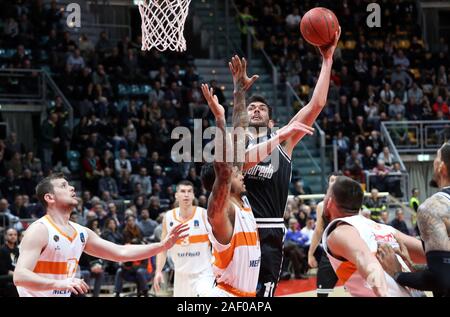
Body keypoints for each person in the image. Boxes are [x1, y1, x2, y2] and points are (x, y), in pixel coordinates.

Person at [234, 28, 341, 297]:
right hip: (240, 227)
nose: (255, 110)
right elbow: (243, 164)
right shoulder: (236, 142)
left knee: (265, 294)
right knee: (235, 293)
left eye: (261, 108)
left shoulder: (283, 142)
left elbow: (316, 104)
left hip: (270, 227)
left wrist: (327, 60)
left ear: (271, 121)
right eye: (251, 108)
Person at [13, 173, 188, 297]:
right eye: (64, 186)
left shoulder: (81, 233)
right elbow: (20, 276)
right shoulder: (40, 230)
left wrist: (162, 246)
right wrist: (59, 284)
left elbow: (121, 253)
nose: (72, 187)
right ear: (49, 198)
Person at [321, 176, 426, 297]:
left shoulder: (340, 232)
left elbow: (365, 259)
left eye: (326, 196)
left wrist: (383, 294)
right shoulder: (385, 229)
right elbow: (433, 253)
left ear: (329, 202)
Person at [377, 143, 450, 297]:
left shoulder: (433, 208)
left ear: (441, 167)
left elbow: (442, 279)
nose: (434, 162)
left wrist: (397, 273)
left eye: (436, 157)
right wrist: (413, 266)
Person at [153, 180, 215, 297]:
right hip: (181, 275)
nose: (186, 194)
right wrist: (158, 271)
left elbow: (217, 243)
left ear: (193, 195)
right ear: (176, 195)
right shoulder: (168, 217)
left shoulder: (203, 215)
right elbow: (162, 248)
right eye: (182, 191)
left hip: (204, 274)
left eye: (189, 191)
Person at [307, 174, 340, 297]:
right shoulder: (322, 206)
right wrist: (310, 254)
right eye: (331, 180)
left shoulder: (350, 204)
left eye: (336, 181)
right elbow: (318, 231)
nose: (333, 183)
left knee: (360, 292)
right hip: (329, 255)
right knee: (322, 294)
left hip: (349, 256)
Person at [0, 228, 19, 297]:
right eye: (10, 235)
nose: (13, 236)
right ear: (5, 236)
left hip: (15, 275)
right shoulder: (2, 250)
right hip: (4, 276)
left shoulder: (18, 250)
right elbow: (2, 269)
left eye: (15, 235)